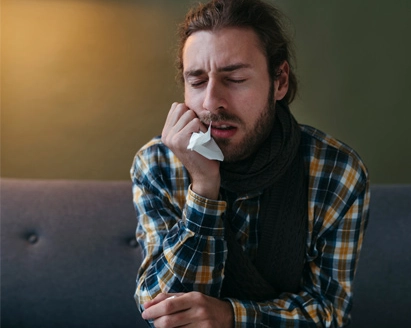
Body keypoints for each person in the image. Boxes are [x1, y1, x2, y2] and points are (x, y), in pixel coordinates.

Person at [130, 0, 370, 327]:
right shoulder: (157, 164)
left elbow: (329, 312)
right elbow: (160, 309)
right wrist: (203, 191)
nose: (212, 102)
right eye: (197, 82)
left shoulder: (336, 172)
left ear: (280, 81)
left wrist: (231, 317)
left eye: (236, 78)